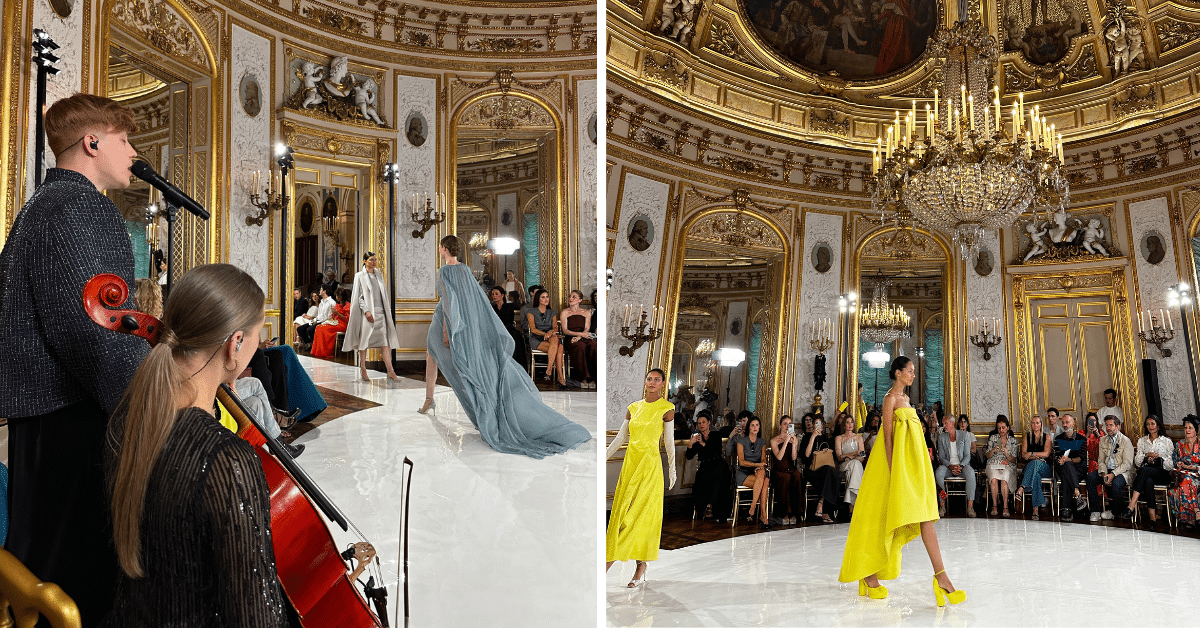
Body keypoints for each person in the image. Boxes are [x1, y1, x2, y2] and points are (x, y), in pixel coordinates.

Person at [0, 93, 148, 623]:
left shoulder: (40, 207)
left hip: (42, 422)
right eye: (124, 140)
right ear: (92, 143)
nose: (133, 152)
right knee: (79, 577)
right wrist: (151, 400)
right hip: (76, 425)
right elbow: (97, 340)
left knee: (40, 565)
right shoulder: (81, 207)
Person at [102, 263, 286, 626]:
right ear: (235, 344)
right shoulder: (227, 460)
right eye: (256, 336)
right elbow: (258, 618)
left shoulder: (126, 421)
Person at [420, 235, 590, 457]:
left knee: (437, 357)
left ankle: (431, 401)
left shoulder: (444, 271)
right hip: (459, 322)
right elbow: (473, 302)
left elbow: (449, 302)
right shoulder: (464, 270)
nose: (440, 250)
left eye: (440, 247)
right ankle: (429, 400)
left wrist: (447, 331)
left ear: (443, 249)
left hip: (446, 321)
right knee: (433, 355)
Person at [839, 357, 965, 605]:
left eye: (914, 371)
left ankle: (941, 577)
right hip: (894, 468)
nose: (913, 375)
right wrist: (892, 470)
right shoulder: (890, 399)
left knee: (926, 515)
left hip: (914, 466)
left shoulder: (906, 399)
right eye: (910, 371)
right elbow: (887, 438)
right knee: (881, 517)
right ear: (897, 373)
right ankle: (869, 574)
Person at [606, 369, 676, 587]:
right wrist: (602, 457)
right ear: (645, 382)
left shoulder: (667, 409)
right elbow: (620, 438)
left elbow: (669, 442)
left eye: (657, 380)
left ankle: (616, 567)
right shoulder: (633, 408)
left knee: (639, 517)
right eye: (649, 379)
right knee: (622, 516)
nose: (652, 382)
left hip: (650, 469)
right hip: (630, 466)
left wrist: (672, 470)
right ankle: (638, 565)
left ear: (662, 384)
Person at [343, 252, 401, 382]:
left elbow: (382, 295)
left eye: (375, 260)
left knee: (384, 343)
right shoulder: (359, 276)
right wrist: (366, 311)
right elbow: (359, 297)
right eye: (371, 260)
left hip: (380, 313)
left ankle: (390, 371)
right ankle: (363, 369)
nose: (374, 262)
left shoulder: (379, 275)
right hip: (368, 315)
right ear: (365, 261)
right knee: (364, 342)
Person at [1122, 415, 1174, 523]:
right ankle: (1152, 520)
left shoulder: (1166, 441)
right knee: (1148, 481)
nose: (1150, 426)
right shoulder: (1142, 441)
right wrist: (1147, 456)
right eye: (1148, 424)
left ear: (1158, 425)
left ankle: (1131, 505)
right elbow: (1137, 462)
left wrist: (1159, 458)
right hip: (1147, 473)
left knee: (1144, 471)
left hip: (1162, 474)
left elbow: (1171, 464)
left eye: (1152, 424)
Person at [686, 412, 732, 523]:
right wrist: (690, 444)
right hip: (705, 467)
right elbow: (689, 456)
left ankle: (710, 505)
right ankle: (709, 505)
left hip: (718, 464)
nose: (701, 425)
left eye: (704, 422)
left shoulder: (716, 435)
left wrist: (702, 443)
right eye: (699, 423)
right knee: (711, 477)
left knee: (721, 471)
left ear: (708, 423)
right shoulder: (696, 438)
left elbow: (716, 451)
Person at [1086, 415, 1134, 521]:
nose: (1108, 428)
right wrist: (1104, 473)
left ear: (1118, 426)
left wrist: (1113, 474)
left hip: (1122, 471)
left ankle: (1115, 512)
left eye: (1111, 425)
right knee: (1090, 478)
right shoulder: (1103, 440)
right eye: (1106, 425)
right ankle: (1095, 511)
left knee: (1116, 483)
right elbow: (1101, 461)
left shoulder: (1126, 441)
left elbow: (1127, 464)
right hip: (1107, 469)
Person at [527, 288, 573, 389]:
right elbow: (533, 329)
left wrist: (550, 332)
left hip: (550, 338)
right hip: (537, 339)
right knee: (559, 347)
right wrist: (546, 334)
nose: (546, 299)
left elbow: (555, 328)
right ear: (538, 299)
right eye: (543, 297)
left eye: (547, 297)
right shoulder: (531, 312)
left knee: (555, 339)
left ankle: (549, 369)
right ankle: (560, 377)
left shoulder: (552, 312)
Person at [733, 416, 773, 529]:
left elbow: (763, 460)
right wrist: (756, 465)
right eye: (752, 425)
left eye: (757, 425)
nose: (755, 427)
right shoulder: (741, 441)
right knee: (765, 481)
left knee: (762, 473)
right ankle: (763, 516)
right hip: (744, 472)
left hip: (757, 471)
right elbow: (741, 462)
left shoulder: (762, 442)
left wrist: (759, 466)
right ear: (749, 427)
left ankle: (753, 507)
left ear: (759, 427)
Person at [935, 414, 976, 518]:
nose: (944, 426)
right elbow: (941, 457)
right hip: (948, 467)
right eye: (943, 423)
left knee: (971, 473)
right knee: (939, 473)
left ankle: (970, 507)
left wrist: (960, 466)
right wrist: (951, 466)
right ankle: (942, 505)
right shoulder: (942, 437)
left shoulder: (964, 435)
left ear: (952, 423)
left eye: (946, 423)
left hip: (962, 466)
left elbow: (967, 456)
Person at [801, 416, 839, 523]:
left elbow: (831, 456)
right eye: (815, 423)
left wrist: (826, 451)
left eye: (819, 423)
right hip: (811, 470)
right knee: (829, 476)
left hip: (823, 470)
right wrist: (813, 437)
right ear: (813, 425)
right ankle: (825, 511)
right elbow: (806, 456)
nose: (817, 426)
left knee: (828, 471)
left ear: (823, 425)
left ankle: (820, 504)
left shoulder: (826, 438)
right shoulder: (806, 437)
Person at [1015, 415, 1052, 519]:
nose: (1035, 425)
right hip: (1029, 467)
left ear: (1041, 424)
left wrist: (1032, 454)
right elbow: (1024, 455)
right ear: (1031, 425)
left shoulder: (1047, 437)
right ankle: (1035, 510)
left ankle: (1022, 487)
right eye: (1033, 423)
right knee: (1036, 476)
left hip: (1044, 467)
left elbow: (1046, 454)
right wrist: (1036, 456)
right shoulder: (1027, 437)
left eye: (1037, 423)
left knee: (1035, 463)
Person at [560, 289, 597, 389]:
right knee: (580, 346)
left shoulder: (587, 312)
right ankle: (584, 377)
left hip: (583, 337)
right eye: (570, 296)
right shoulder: (564, 312)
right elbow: (565, 330)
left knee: (593, 345)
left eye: (574, 297)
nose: (570, 299)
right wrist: (577, 336)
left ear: (580, 300)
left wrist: (579, 336)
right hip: (571, 338)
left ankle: (595, 377)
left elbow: (587, 329)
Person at [1054, 415, 1089, 520]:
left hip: (1079, 469)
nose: (1065, 425)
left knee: (1067, 472)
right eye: (1063, 422)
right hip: (1062, 467)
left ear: (1073, 424)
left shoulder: (1081, 439)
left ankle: (1066, 509)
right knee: (1066, 467)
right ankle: (1077, 494)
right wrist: (1060, 460)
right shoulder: (1058, 439)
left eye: (1067, 422)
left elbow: (1081, 458)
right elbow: (1056, 457)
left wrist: (1069, 460)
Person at [770, 415, 803, 525]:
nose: (787, 426)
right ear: (780, 426)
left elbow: (794, 458)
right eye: (785, 424)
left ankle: (795, 512)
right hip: (779, 470)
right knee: (785, 478)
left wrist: (793, 444)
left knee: (797, 475)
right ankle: (785, 513)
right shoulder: (774, 440)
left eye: (789, 424)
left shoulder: (795, 439)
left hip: (790, 468)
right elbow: (779, 457)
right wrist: (785, 441)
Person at [1170, 415, 1200, 529]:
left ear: (1196, 430)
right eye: (1185, 428)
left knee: (1184, 484)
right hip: (1182, 476)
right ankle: (1197, 512)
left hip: (1197, 477)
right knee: (1186, 480)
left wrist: (1194, 468)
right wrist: (1178, 464)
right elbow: (1174, 461)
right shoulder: (1179, 445)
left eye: (1190, 428)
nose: (1187, 430)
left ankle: (1189, 520)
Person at [489, 286, 528, 371]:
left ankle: (515, 366)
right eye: (493, 294)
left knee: (516, 335)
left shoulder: (510, 306)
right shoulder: (491, 308)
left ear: (502, 295)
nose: (494, 296)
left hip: (508, 328)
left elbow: (523, 307)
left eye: (496, 294)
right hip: (496, 330)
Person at [835, 413, 866, 514]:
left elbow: (862, 457)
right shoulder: (839, 438)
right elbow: (839, 457)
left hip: (854, 465)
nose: (850, 424)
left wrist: (851, 457)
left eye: (851, 422)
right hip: (843, 466)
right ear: (844, 424)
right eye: (847, 422)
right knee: (855, 464)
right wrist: (854, 454)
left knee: (853, 468)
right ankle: (857, 503)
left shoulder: (859, 438)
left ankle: (851, 506)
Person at [310, 287, 350, 358]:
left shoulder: (348, 305)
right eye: (337, 296)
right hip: (335, 322)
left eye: (339, 296)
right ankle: (317, 351)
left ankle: (325, 352)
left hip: (342, 324)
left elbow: (347, 319)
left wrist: (337, 314)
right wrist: (333, 314)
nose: (337, 298)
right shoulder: (337, 305)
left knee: (324, 329)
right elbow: (333, 316)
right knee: (319, 327)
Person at [297, 283, 335, 349]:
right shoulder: (322, 302)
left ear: (324, 291)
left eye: (321, 289)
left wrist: (317, 321)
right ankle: (310, 344)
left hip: (326, 322)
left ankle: (315, 346)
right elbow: (319, 315)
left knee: (310, 330)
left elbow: (329, 317)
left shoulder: (331, 302)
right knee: (300, 329)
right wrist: (314, 320)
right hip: (318, 320)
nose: (320, 291)